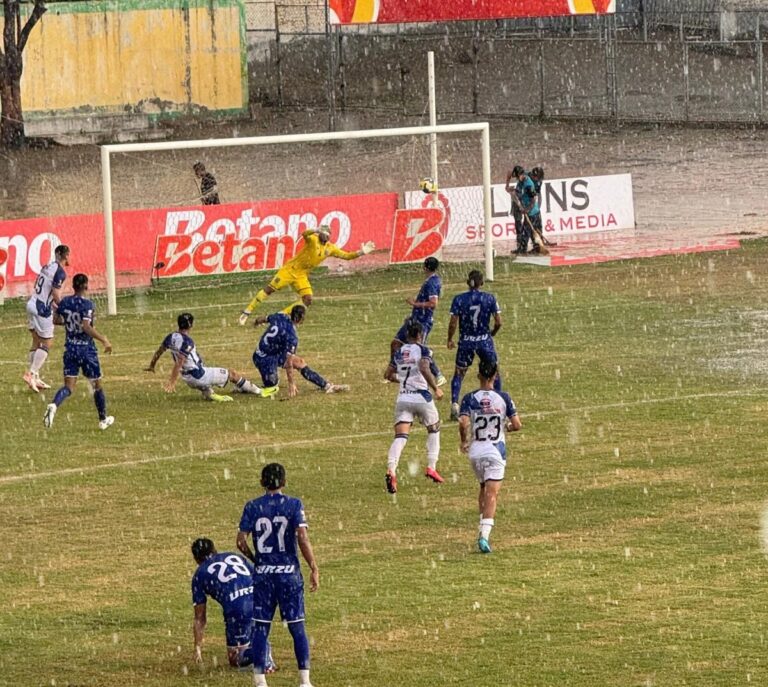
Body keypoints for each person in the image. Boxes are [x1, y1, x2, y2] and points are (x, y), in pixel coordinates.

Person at [236, 463, 320, 687]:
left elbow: (240, 542)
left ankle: (260, 681)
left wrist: (257, 560)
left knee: (261, 628)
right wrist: (313, 566)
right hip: (288, 574)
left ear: (262, 482)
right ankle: (304, 681)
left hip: (264, 576)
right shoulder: (293, 504)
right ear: (284, 482)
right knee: (297, 626)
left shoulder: (253, 506)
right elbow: (302, 537)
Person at [238, 225, 375, 325]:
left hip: (302, 275)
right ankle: (247, 312)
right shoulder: (313, 239)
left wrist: (361, 252)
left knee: (308, 299)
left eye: (327, 234)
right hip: (289, 270)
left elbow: (346, 256)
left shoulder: (330, 248)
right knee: (269, 290)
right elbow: (304, 234)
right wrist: (314, 230)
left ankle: (279, 316)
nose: (324, 236)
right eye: (322, 233)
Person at [458, 360, 521, 553]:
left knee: (483, 487)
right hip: (495, 452)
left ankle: (481, 524)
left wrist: (463, 441)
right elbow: (517, 424)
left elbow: (463, 423)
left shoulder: (469, 397)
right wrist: (506, 428)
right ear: (496, 376)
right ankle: (484, 536)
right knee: (492, 494)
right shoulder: (503, 398)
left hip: (476, 453)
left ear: (478, 376)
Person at [189, 537, 277, 672]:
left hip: (237, 607)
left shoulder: (199, 574)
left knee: (235, 659)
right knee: (254, 629)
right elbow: (258, 576)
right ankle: (260, 643)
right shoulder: (233, 556)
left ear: (196, 559)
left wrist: (197, 648)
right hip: (260, 598)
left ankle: (261, 652)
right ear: (214, 549)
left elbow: (200, 617)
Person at [144, 312, 274, 402]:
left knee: (204, 374)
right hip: (198, 375)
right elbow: (179, 362)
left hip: (187, 378)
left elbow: (159, 351)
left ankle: (209, 394)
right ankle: (259, 392)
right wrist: (172, 382)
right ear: (190, 325)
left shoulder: (170, 337)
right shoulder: (187, 342)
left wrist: (152, 365)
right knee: (232, 374)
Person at [43, 273, 114, 430]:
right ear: (86, 286)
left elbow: (56, 319)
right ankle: (103, 420)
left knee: (68, 387)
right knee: (97, 386)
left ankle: (54, 405)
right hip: (86, 350)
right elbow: (86, 327)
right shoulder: (87, 305)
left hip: (70, 348)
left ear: (73, 287)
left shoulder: (65, 302)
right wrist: (104, 340)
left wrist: (68, 322)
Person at [384, 320, 444, 494]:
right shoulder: (423, 349)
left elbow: (387, 375)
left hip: (403, 398)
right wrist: (436, 388)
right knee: (434, 429)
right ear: (420, 335)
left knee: (401, 437)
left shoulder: (399, 352)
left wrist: (403, 380)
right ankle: (431, 466)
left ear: (407, 335)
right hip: (421, 397)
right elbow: (424, 367)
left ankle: (391, 469)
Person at [251, 305, 349, 397]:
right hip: (263, 358)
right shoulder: (291, 336)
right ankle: (242, 385)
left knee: (299, 362)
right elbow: (289, 363)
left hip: (270, 352)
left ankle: (327, 386)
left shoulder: (280, 316)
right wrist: (291, 383)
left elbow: (264, 318)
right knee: (271, 387)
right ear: (301, 318)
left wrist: (256, 322)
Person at [446, 270, 502, 421]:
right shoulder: (489, 298)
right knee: (493, 370)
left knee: (459, 372)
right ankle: (497, 402)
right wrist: (492, 332)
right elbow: (498, 322)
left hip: (466, 341)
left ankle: (455, 404)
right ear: (482, 283)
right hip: (484, 340)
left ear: (467, 282)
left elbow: (453, 322)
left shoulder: (459, 299)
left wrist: (450, 339)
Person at [390, 256, 446, 387]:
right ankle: (394, 371)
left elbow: (433, 303)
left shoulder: (432, 283)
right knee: (395, 343)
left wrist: (414, 303)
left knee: (421, 350)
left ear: (425, 267)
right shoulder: (432, 280)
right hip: (414, 320)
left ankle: (438, 375)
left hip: (422, 322)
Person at [23, 243, 70, 392]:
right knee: (47, 343)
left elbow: (44, 288)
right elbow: (55, 294)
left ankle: (35, 378)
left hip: (32, 303)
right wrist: (63, 309)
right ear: (66, 256)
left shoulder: (46, 266)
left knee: (36, 341)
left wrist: (54, 305)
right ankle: (31, 373)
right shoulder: (60, 272)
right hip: (41, 309)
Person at [505, 165, 541, 255]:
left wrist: (527, 209)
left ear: (520, 175)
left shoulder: (528, 185)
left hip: (533, 212)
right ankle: (527, 248)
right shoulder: (521, 181)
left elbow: (534, 199)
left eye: (517, 177)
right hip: (528, 210)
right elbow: (511, 190)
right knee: (528, 230)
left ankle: (524, 249)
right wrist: (508, 181)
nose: (517, 179)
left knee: (527, 231)